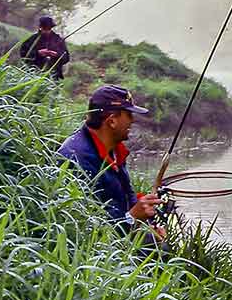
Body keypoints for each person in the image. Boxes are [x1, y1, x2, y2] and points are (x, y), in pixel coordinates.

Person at [58, 84, 164, 238]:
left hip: (122, 231)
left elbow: (128, 197)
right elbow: (87, 229)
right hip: (101, 244)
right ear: (112, 121)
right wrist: (132, 218)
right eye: (129, 114)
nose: (133, 120)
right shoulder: (75, 159)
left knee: (159, 243)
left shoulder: (114, 150)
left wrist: (147, 222)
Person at [20, 16, 70, 80]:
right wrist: (38, 53)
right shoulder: (32, 39)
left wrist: (56, 54)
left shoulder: (58, 39)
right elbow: (23, 54)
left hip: (53, 75)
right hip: (34, 74)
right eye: (44, 28)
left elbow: (66, 57)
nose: (46, 31)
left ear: (51, 28)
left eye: (48, 28)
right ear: (40, 27)